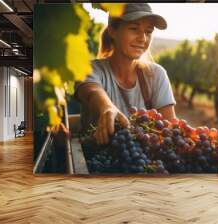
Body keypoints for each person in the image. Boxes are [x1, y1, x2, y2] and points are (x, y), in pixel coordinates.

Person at [75, 3, 176, 145]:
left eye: (148, 31)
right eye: (134, 29)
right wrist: (107, 108)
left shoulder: (156, 74)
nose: (143, 38)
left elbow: (170, 130)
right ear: (112, 30)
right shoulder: (91, 69)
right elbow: (91, 90)